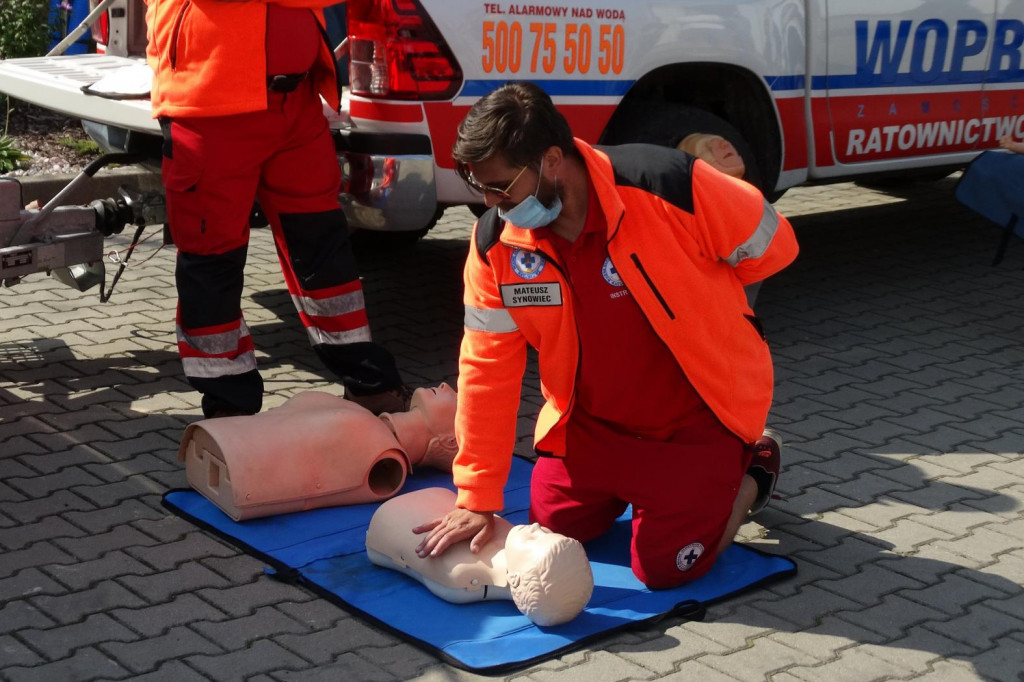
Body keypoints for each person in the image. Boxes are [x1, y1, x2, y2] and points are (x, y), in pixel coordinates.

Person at [414, 82, 799, 589]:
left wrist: (713, 305)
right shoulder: (497, 246)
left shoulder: (669, 182)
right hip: (590, 429)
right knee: (550, 536)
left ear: (552, 159)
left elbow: (773, 247)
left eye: (502, 187)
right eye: (481, 188)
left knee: (664, 569)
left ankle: (752, 471)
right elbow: (486, 368)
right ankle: (649, 491)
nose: (491, 203)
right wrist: (478, 496)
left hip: (693, 424)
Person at [145, 0, 408, 419]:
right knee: (212, 259)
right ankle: (230, 410)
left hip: (294, 103)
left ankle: (369, 384)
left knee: (324, 247)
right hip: (209, 109)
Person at [178, 383, 457, 520]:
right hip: (225, 448)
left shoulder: (383, 451)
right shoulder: (368, 427)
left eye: (461, 405)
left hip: (237, 466)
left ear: (448, 442)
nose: (449, 387)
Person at [367, 487, 593, 626]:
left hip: (388, 519)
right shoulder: (516, 546)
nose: (535, 526)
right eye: (547, 534)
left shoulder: (462, 576)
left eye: (534, 539)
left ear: (515, 580)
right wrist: (479, 500)